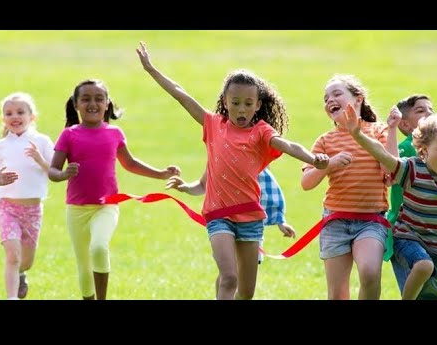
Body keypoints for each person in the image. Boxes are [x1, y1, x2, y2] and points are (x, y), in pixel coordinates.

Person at [137, 41, 328, 300]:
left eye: (248, 103)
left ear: (257, 105)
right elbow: (180, 94)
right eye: (235, 103)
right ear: (225, 102)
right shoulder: (214, 125)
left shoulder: (261, 131)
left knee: (246, 293)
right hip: (218, 216)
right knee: (228, 278)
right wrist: (151, 69)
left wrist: (312, 158)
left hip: (250, 217)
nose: (241, 109)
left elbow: (286, 144)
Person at [48, 79, 181, 300]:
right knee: (84, 267)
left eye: (99, 99)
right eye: (86, 99)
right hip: (76, 210)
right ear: (75, 104)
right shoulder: (69, 135)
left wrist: (161, 173)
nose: (93, 104)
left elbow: (130, 163)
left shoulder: (115, 133)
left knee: (99, 247)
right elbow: (53, 170)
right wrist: (63, 175)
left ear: (107, 103)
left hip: (107, 206)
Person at [343, 106, 437, 300]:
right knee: (424, 265)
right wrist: (358, 136)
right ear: (424, 149)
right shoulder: (413, 168)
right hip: (408, 238)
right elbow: (383, 156)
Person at [301, 74, 399, 300]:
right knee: (337, 293)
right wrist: (329, 165)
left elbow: (392, 172)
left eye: (336, 94)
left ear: (358, 99)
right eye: (326, 98)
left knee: (370, 272)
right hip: (335, 221)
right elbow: (307, 183)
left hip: (371, 221)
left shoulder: (378, 131)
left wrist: (392, 130)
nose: (329, 101)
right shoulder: (326, 140)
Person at [166, 166, 296, 297]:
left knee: (245, 290)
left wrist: (280, 221)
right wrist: (186, 187)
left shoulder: (254, 162)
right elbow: (202, 184)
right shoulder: (218, 154)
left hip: (249, 225)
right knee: (228, 274)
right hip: (222, 222)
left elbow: (270, 194)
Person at [0, 92, 53, 300]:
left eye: (20, 112)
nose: (14, 116)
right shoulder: (2, 145)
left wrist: (39, 159)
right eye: (8, 113)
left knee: (26, 261)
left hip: (33, 209)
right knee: (13, 255)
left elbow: (54, 171)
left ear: (32, 117)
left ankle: (21, 274)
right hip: (7, 207)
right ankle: (11, 297)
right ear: (3, 119)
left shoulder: (42, 141)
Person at [384, 95, 434, 296]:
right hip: (404, 229)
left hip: (432, 229)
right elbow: (392, 165)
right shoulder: (406, 147)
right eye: (421, 111)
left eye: (431, 109)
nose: (429, 113)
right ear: (405, 124)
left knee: (431, 292)